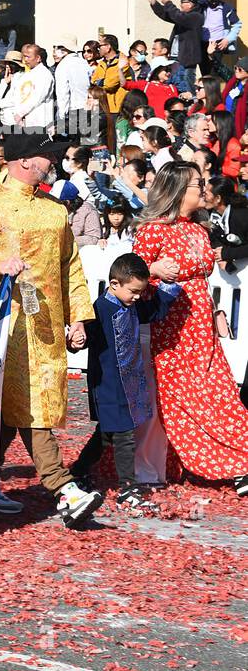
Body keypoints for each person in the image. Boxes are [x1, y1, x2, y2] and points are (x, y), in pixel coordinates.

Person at [0, 130, 106, 527]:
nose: (53, 163)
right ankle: (64, 488)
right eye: (47, 158)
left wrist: (79, 318)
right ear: (25, 161)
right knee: (28, 405)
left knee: (12, 410)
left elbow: (71, 268)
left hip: (47, 327)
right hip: (7, 325)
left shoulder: (56, 210)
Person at [132, 162, 248, 493]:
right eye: (199, 185)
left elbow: (202, 279)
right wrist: (153, 268)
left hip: (201, 325)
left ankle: (236, 459)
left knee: (218, 392)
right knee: (184, 398)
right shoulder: (154, 230)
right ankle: (228, 462)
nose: (205, 190)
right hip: (171, 328)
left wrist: (215, 312)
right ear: (180, 190)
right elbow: (132, 275)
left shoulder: (198, 230)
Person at [75, 253, 181, 513]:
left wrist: (167, 287)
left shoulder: (132, 306)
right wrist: (76, 340)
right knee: (123, 435)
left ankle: (78, 471)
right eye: (133, 291)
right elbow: (85, 336)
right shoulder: (100, 309)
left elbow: (153, 311)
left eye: (139, 292)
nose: (137, 297)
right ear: (114, 284)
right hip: (108, 383)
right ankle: (128, 488)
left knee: (107, 435)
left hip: (128, 382)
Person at [149, 0, 203, 96]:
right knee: (173, 90)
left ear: (192, 4)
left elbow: (178, 16)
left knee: (187, 91)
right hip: (175, 61)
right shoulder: (183, 17)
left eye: (184, 2)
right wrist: (154, 3)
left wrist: (168, 2)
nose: (181, 4)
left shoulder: (196, 16)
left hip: (186, 62)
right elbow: (167, 15)